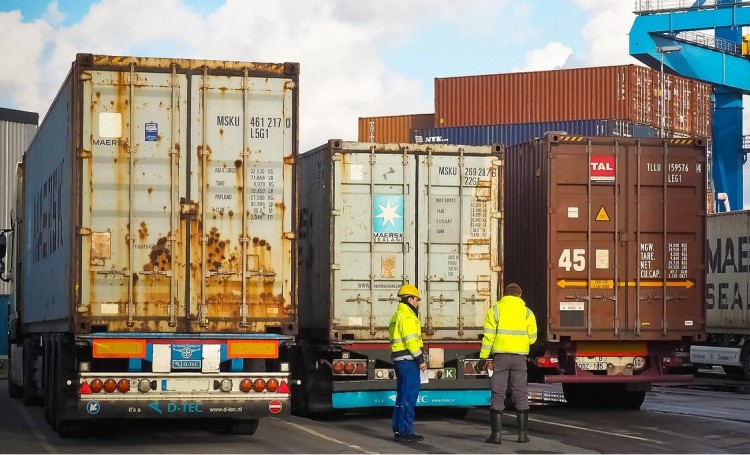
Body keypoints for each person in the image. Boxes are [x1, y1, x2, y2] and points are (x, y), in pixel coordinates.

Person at [477, 283, 537, 444]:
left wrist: (483, 357)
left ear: (505, 294)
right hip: (519, 358)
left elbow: (488, 337)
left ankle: (496, 436)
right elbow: (532, 338)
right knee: (520, 393)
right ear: (520, 294)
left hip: (500, 358)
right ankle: (523, 436)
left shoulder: (495, 310)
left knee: (498, 393)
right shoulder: (527, 313)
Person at [389, 283, 427, 443]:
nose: (418, 303)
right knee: (409, 396)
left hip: (400, 361)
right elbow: (411, 341)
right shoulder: (408, 317)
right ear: (411, 299)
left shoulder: (397, 315)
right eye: (417, 300)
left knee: (402, 396)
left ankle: (398, 429)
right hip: (408, 361)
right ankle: (405, 431)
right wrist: (421, 360)